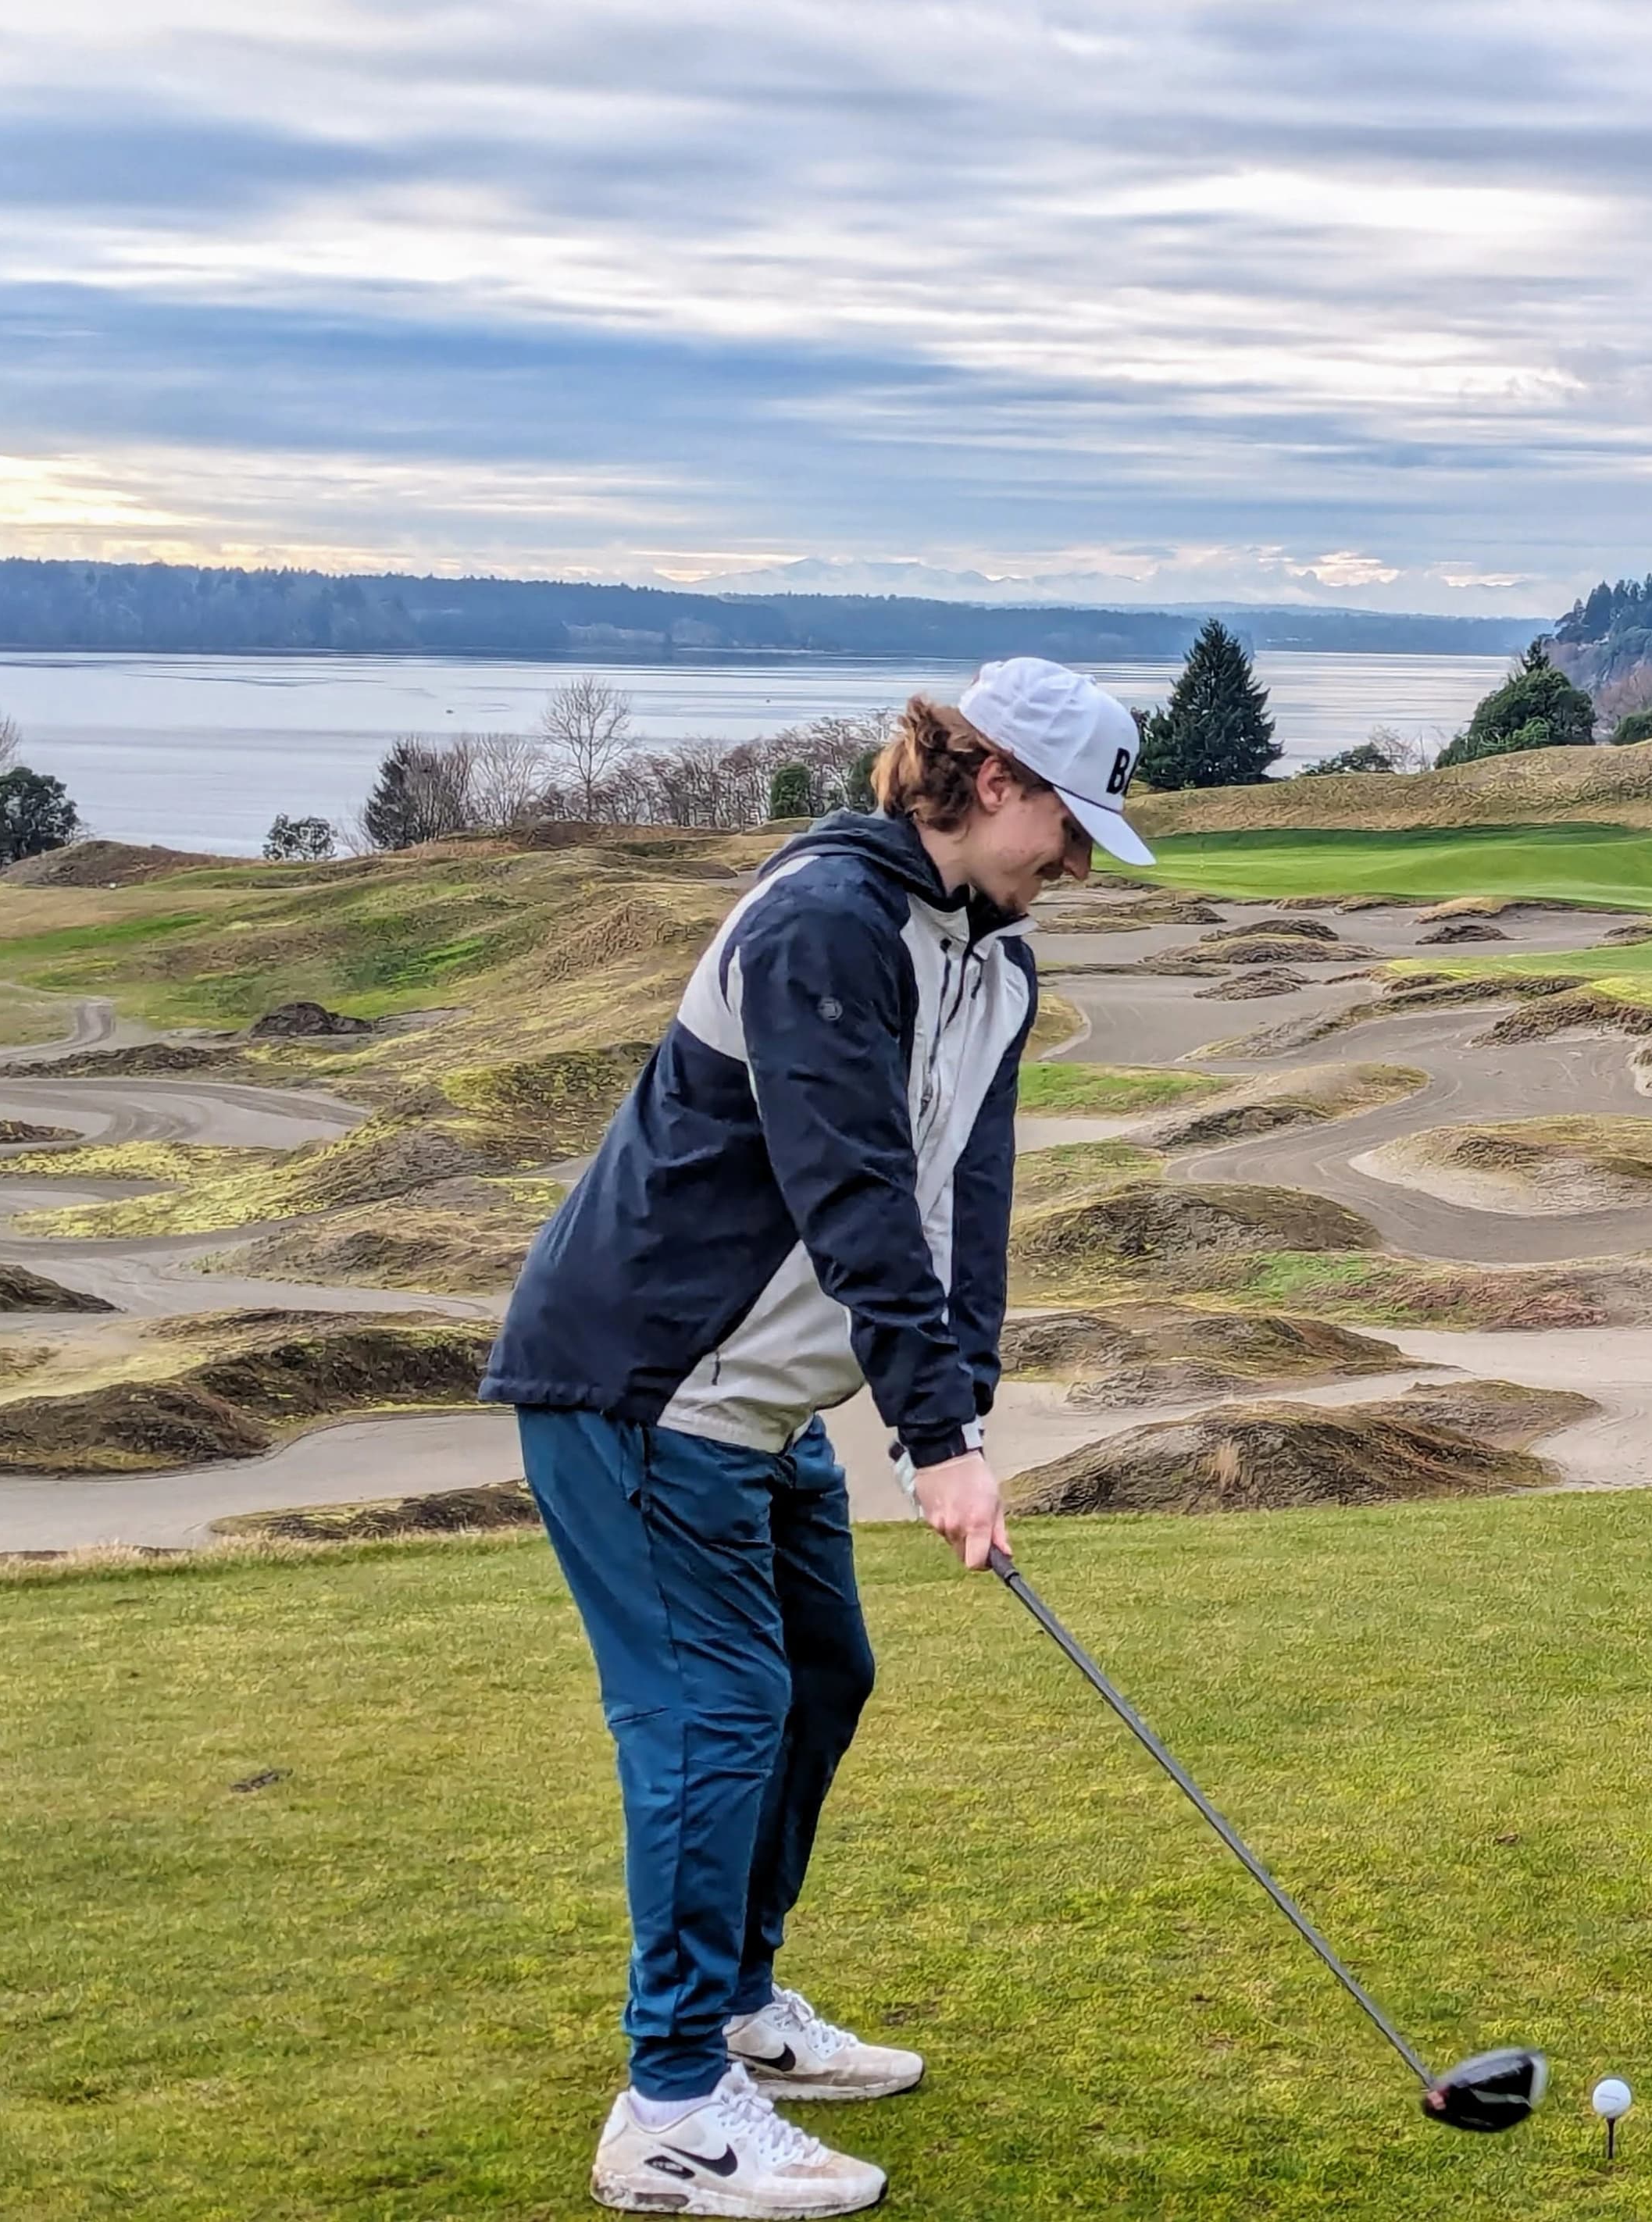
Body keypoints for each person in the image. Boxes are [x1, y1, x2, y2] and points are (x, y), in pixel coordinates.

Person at [480, 658, 1153, 2217]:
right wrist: (929, 1436)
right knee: (716, 1710)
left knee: (822, 1676)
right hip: (647, 1384)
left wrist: (956, 1411)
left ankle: (733, 2010)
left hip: (757, 1405)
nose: (1076, 861)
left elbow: (962, 1205)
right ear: (990, 777)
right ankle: (668, 2105)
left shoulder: (996, 964)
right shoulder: (824, 922)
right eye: (1066, 823)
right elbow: (849, 1187)